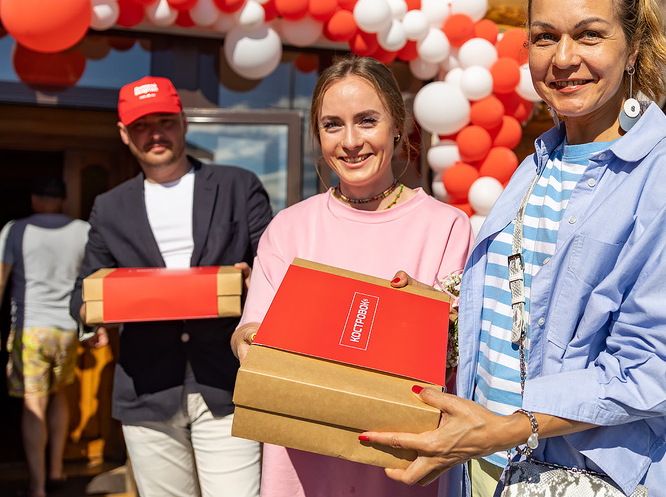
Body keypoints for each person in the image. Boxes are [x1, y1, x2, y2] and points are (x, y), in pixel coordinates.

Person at [363, 0, 666, 497]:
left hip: (581, 474)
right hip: (485, 466)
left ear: (633, 46)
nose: (563, 58)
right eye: (544, 37)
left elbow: (656, 366)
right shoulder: (538, 163)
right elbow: (530, 316)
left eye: (589, 33)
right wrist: (444, 309)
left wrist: (510, 428)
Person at [231, 55, 473, 497]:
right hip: (302, 464)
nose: (351, 141)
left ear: (397, 127)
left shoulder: (446, 227)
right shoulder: (289, 227)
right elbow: (252, 329)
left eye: (366, 121)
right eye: (332, 125)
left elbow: (457, 356)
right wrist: (246, 339)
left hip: (400, 467)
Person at [70, 76, 271, 497]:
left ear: (182, 122)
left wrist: (256, 282)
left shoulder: (238, 186)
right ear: (124, 134)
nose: (155, 133)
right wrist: (92, 322)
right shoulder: (110, 207)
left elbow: (275, 270)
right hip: (147, 389)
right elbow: (84, 293)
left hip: (226, 383)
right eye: (142, 125)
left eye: (164, 120)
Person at [1, 176, 89, 497]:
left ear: (34, 198)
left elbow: (1, 279)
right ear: (63, 200)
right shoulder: (82, 230)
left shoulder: (16, 229)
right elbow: (92, 280)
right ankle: (56, 469)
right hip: (66, 330)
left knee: (33, 403)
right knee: (60, 394)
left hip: (31, 329)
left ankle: (37, 486)